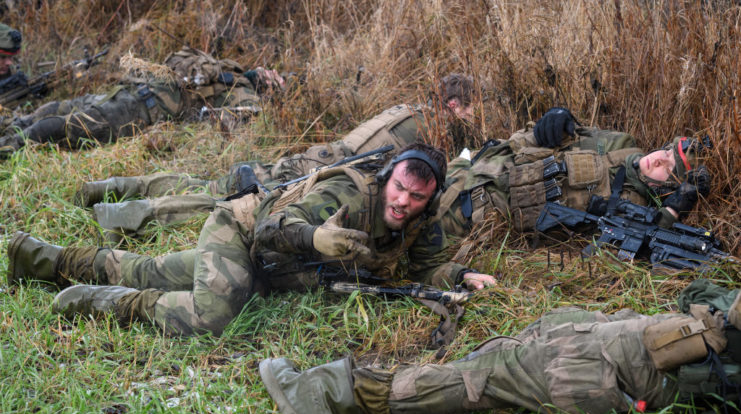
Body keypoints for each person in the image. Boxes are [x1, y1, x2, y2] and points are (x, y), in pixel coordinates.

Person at [7, 143, 496, 337]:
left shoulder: (420, 220)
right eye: (399, 190)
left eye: (416, 197)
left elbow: (419, 270)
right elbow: (269, 229)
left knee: (154, 269)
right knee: (215, 314)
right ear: (387, 179)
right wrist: (318, 238)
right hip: (242, 231)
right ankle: (97, 302)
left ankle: (38, 257)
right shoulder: (349, 192)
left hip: (275, 268)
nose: (403, 203)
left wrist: (460, 275)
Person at [258, 280, 741, 414]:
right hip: (676, 356)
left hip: (655, 362)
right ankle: (444, 381)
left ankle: (326, 398)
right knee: (554, 323)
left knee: (486, 377)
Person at [71, 73, 482, 243]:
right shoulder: (431, 133)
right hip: (317, 173)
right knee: (225, 203)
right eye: (468, 109)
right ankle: (130, 212)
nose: (471, 117)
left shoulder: (410, 110)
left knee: (213, 187)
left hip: (316, 159)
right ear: (452, 103)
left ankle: (115, 189)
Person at [437, 109, 711, 237]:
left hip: (479, 209)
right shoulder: (621, 144)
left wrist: (674, 210)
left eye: (668, 169)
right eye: (665, 153)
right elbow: (574, 133)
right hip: (484, 163)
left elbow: (650, 239)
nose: (658, 161)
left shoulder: (638, 209)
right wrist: (559, 118)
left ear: (667, 190)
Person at [0, 46, 284, 157]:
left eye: (276, 78)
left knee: (60, 127)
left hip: (138, 110)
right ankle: (8, 130)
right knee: (53, 108)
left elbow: (222, 122)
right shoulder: (223, 66)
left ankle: (7, 150)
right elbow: (174, 58)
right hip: (130, 92)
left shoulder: (245, 96)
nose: (269, 73)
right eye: (270, 71)